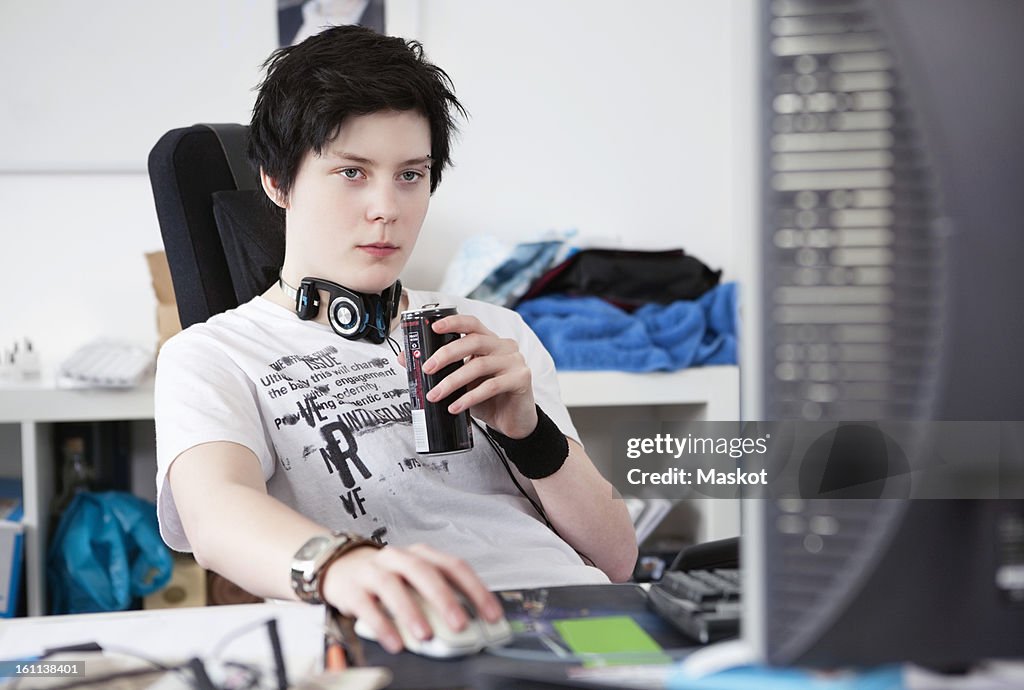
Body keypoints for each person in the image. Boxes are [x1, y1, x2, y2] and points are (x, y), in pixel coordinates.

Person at [154, 24, 637, 654]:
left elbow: (618, 558)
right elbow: (215, 516)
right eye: (352, 172)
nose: (387, 207)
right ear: (277, 181)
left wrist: (529, 430)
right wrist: (341, 568)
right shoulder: (212, 355)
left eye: (411, 175)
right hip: (414, 637)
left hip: (588, 626)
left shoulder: (494, 332)